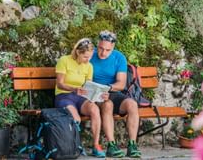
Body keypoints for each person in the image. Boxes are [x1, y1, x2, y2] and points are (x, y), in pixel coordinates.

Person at [90, 30, 142, 158]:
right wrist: (99, 91)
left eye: (107, 50)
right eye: (101, 48)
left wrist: (108, 88)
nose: (103, 53)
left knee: (132, 105)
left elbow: (121, 83)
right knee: (107, 105)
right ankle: (111, 145)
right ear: (97, 44)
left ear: (113, 47)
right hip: (95, 93)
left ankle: (132, 145)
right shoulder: (90, 55)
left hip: (113, 91)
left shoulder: (119, 57)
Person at [54, 38, 107, 158]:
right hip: (64, 96)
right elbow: (60, 84)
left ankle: (96, 145)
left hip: (80, 97)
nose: (88, 60)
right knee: (76, 118)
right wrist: (74, 89)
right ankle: (76, 146)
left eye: (90, 57)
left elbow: (90, 87)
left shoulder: (89, 66)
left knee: (94, 109)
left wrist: (100, 95)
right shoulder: (64, 60)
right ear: (78, 52)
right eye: (85, 57)